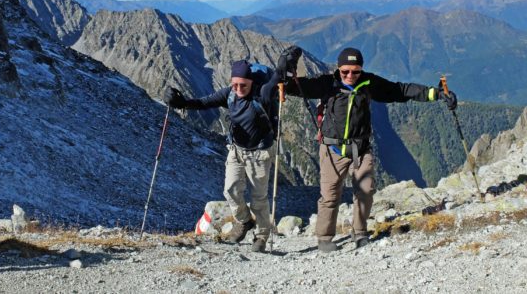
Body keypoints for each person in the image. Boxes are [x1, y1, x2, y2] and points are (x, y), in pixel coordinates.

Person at [277, 46, 457, 253]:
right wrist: (283, 72)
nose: (350, 76)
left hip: (361, 148)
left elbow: (399, 90)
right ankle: (325, 237)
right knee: (330, 195)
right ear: (338, 69)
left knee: (366, 191)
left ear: (361, 70)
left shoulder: (369, 83)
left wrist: (435, 94)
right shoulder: (327, 84)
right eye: (345, 71)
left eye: (355, 71)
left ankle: (360, 232)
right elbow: (292, 87)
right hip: (332, 150)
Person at [163, 60, 281, 253]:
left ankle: (261, 236)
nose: (239, 88)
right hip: (236, 150)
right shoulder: (230, 94)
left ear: (251, 82)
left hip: (260, 153)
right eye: (235, 84)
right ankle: (244, 221)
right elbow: (204, 102)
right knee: (230, 190)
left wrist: (286, 62)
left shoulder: (263, 94)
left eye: (243, 84)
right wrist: (181, 103)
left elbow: (278, 76)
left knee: (259, 197)